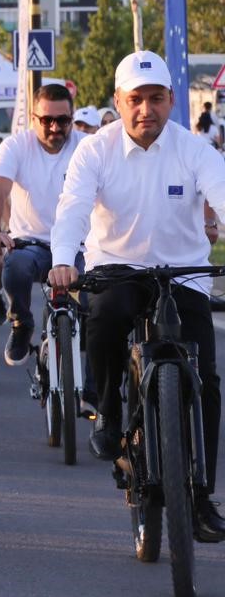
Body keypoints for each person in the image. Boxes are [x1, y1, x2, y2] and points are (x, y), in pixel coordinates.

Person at [48, 51, 225, 541]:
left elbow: (222, 194)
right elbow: (73, 208)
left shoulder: (195, 150)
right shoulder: (94, 150)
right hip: (117, 269)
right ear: (119, 101)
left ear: (171, 99)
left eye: (156, 98)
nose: (146, 109)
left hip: (183, 275)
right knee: (104, 318)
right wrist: (63, 259)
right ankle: (108, 409)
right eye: (136, 99)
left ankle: (201, 498)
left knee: (207, 381)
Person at [0, 84, 82, 366]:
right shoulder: (14, 147)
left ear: (72, 118)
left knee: (95, 301)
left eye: (62, 120)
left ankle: (89, 379)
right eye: (46, 120)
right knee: (15, 268)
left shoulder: (87, 146)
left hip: (79, 246)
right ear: (33, 118)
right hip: (31, 243)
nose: (55, 128)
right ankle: (21, 324)